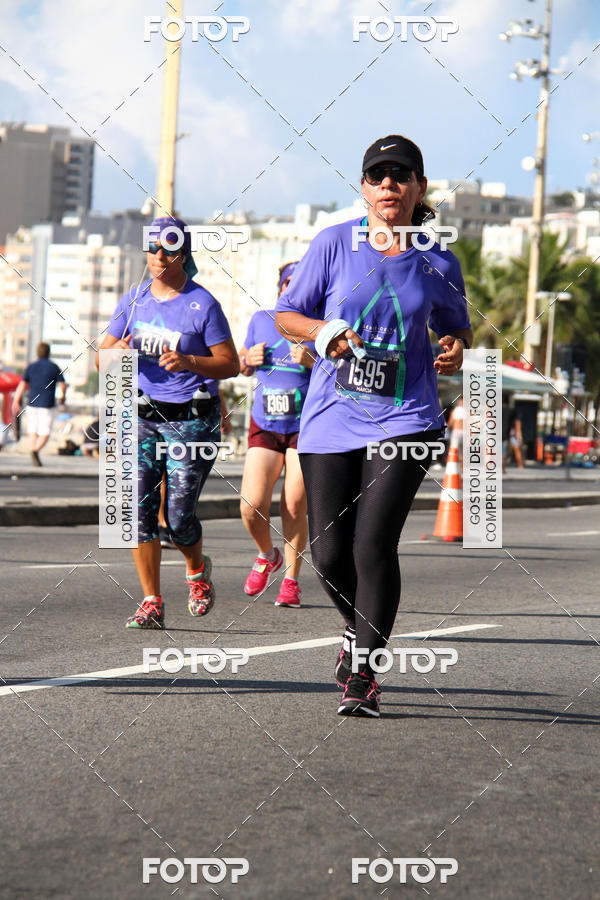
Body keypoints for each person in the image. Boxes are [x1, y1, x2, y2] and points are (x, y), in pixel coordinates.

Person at [276, 135, 472, 716]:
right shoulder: (334, 244)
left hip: (406, 417)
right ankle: (355, 629)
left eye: (400, 174)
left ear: (419, 188)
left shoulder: (438, 260)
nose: (388, 184)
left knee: (372, 543)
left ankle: (364, 675)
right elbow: (286, 315)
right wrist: (323, 332)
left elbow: (458, 327)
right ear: (363, 188)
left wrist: (454, 347)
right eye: (377, 175)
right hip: (332, 418)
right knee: (329, 553)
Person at [96, 216, 239, 628]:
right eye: (153, 248)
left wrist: (190, 361)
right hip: (139, 416)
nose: (160, 257)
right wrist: (116, 352)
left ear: (183, 253)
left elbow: (230, 364)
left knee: (176, 519)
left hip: (191, 421)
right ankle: (151, 601)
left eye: (169, 249)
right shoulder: (134, 299)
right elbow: (101, 358)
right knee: (135, 513)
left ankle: (196, 572)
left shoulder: (203, 304)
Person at [238, 262, 314, 608]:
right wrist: (247, 359)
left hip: (306, 426)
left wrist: (314, 362)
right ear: (280, 287)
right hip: (265, 424)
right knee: (251, 505)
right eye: (288, 283)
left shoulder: (319, 325)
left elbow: (346, 373)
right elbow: (241, 363)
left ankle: (292, 580)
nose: (293, 289)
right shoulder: (260, 320)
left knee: (294, 503)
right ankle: (267, 555)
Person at [12, 342, 66, 466]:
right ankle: (35, 450)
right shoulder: (54, 367)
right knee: (45, 432)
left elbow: (23, 384)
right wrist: (63, 397)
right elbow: (62, 385)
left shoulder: (31, 367)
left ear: (37, 352)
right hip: (47, 404)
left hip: (31, 403)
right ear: (49, 353)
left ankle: (33, 451)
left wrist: (16, 400)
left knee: (33, 429)